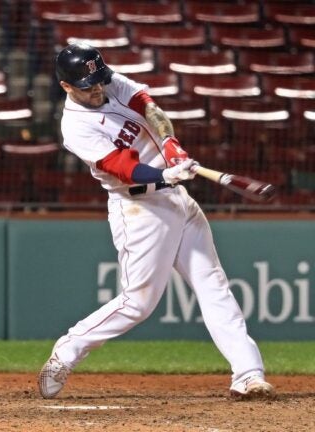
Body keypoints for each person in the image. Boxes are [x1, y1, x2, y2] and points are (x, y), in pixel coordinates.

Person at [38, 44, 274, 400]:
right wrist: (166, 174)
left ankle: (248, 375)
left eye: (98, 80)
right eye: (87, 85)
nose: (97, 88)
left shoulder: (109, 82)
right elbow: (123, 169)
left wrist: (171, 145)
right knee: (138, 303)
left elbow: (149, 107)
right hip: (140, 209)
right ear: (66, 86)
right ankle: (67, 351)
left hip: (176, 198)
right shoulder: (75, 127)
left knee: (213, 285)